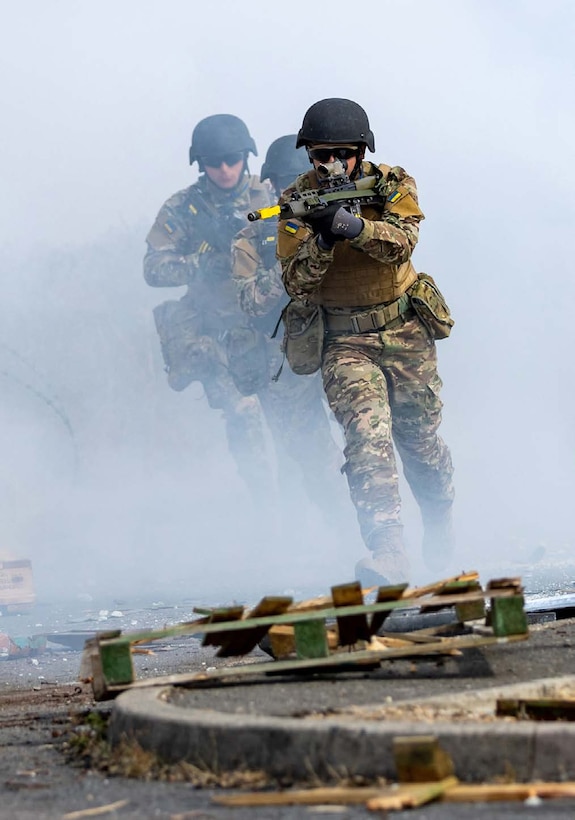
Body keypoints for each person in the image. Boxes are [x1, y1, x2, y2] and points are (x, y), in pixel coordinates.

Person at [277, 98, 455, 586]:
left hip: (404, 330)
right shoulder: (297, 201)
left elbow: (402, 242)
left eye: (339, 154)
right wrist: (322, 240)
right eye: (318, 156)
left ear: (360, 151)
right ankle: (388, 548)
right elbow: (295, 281)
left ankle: (439, 516)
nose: (329, 165)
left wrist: (354, 227)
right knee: (367, 439)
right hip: (344, 341)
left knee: (419, 442)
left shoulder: (393, 183)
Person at [143, 114, 276, 506]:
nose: (224, 169)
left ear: (246, 157)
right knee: (243, 415)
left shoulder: (267, 197)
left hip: (268, 326)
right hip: (214, 333)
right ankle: (268, 509)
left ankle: (312, 510)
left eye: (232, 159)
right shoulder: (184, 208)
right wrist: (203, 263)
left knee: (294, 426)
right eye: (214, 162)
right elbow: (153, 267)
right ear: (200, 163)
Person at [231, 135, 349, 524]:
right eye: (283, 179)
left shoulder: (344, 219)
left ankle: (377, 527)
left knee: (368, 442)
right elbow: (248, 301)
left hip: (342, 345)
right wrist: (291, 264)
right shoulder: (254, 236)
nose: (293, 187)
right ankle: (340, 529)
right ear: (269, 184)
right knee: (311, 457)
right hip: (286, 361)